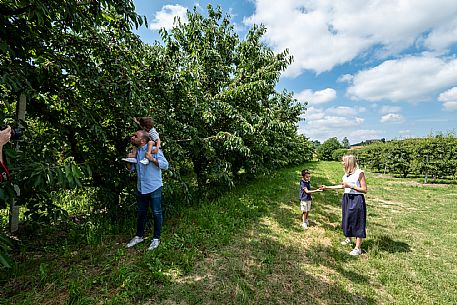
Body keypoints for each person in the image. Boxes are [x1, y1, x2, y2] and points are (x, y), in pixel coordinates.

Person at [125, 130, 168, 250]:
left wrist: (152, 159)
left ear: (143, 140)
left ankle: (156, 238)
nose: (132, 137)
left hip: (154, 187)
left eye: (135, 136)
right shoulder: (136, 152)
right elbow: (131, 169)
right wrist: (128, 161)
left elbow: (165, 165)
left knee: (156, 213)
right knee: (141, 213)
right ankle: (139, 236)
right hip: (141, 188)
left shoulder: (154, 150)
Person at [320, 154, 367, 256]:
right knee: (347, 219)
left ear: (349, 162)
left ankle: (358, 248)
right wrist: (327, 187)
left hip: (356, 199)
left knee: (357, 221)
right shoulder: (345, 175)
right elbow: (343, 186)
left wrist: (351, 186)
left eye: (343, 161)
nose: (342, 163)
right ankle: (348, 238)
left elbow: (364, 190)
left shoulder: (360, 173)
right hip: (346, 198)